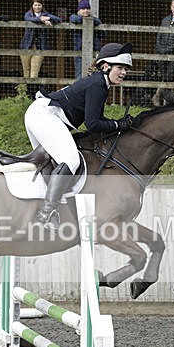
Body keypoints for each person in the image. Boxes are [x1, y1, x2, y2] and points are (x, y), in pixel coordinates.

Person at [24, 42, 134, 230]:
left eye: (125, 69)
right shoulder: (98, 84)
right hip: (45, 115)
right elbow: (92, 125)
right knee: (70, 160)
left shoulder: (100, 82)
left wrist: (117, 124)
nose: (123, 72)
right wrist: (118, 124)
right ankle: (46, 214)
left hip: (40, 113)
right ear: (106, 66)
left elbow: (97, 120)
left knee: (50, 161)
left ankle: (43, 208)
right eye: (120, 68)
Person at [19, 0, 62, 94]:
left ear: (42, 6)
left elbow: (58, 19)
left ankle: (32, 94)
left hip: (39, 48)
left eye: (39, 5)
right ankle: (23, 94)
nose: (37, 7)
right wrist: (42, 20)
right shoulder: (28, 14)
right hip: (26, 46)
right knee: (26, 72)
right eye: (35, 5)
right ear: (32, 6)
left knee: (34, 74)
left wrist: (47, 18)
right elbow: (28, 19)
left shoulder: (46, 15)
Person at [68, 0, 103, 79]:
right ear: (79, 10)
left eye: (87, 9)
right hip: (79, 50)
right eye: (83, 9)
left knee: (94, 74)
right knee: (80, 74)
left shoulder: (94, 20)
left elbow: (102, 33)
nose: (86, 11)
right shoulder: (75, 18)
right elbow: (73, 19)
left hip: (94, 50)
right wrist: (86, 20)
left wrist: (91, 20)